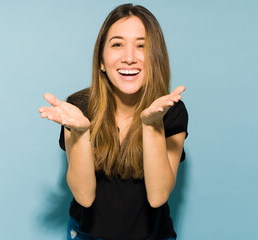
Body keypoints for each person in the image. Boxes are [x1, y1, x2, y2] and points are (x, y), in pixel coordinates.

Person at [38, 3, 188, 240]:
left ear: (156, 59)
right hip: (87, 234)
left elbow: (158, 196)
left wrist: (152, 125)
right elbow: (84, 197)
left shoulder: (171, 111)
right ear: (101, 61)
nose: (129, 58)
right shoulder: (78, 108)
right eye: (117, 44)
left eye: (142, 46)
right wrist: (80, 133)